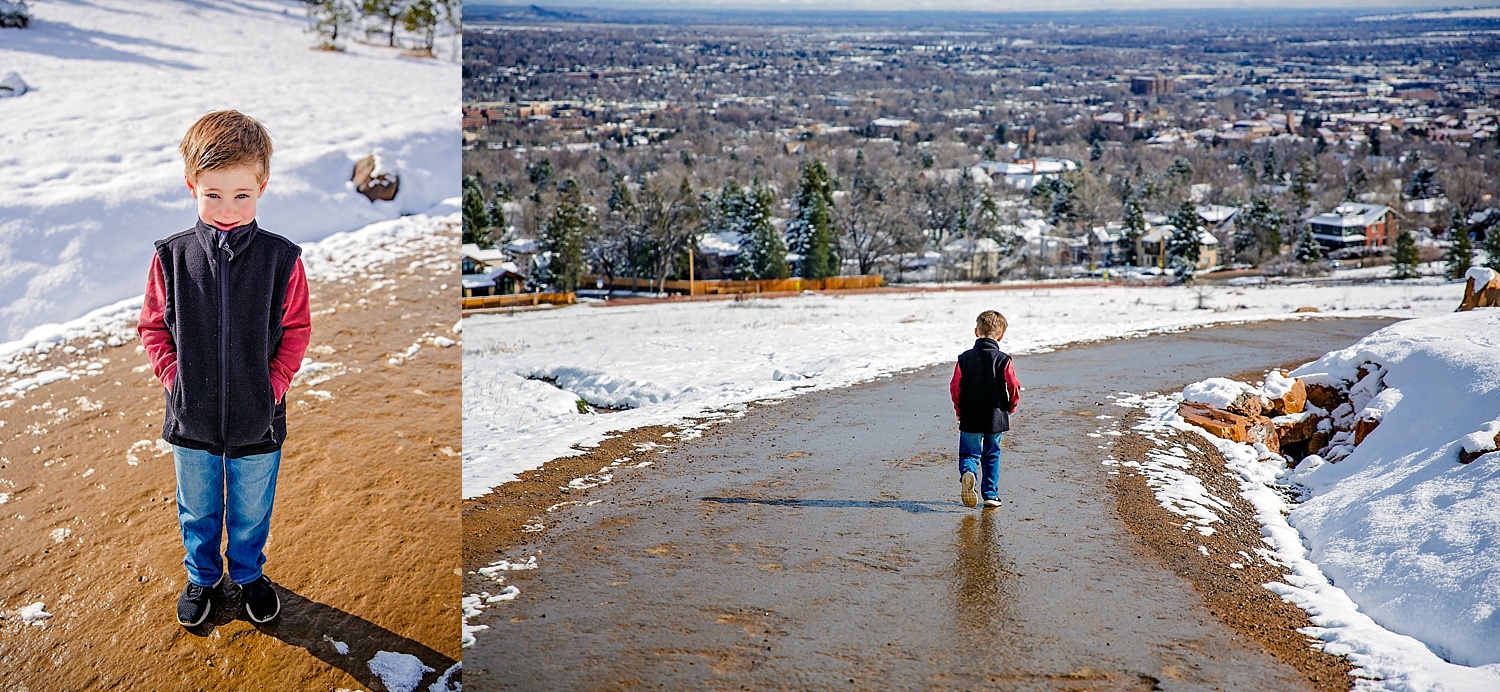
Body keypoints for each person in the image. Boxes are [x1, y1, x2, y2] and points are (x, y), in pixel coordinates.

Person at [137, 110, 311, 627]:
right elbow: (153, 328)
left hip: (259, 418)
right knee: (198, 507)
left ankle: (250, 574)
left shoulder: (283, 259)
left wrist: (273, 386)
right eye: (213, 194)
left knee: (251, 508)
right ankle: (203, 576)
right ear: (192, 184)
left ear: (262, 186)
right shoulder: (171, 257)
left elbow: (297, 330)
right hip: (193, 419)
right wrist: (176, 381)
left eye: (242, 195)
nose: (228, 209)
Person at [949, 310, 1021, 508]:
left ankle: (969, 473)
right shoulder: (1004, 359)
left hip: (970, 414)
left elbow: (955, 386)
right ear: (1001, 336)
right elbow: (1013, 385)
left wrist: (959, 409)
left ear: (976, 332)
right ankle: (990, 494)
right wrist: (1011, 405)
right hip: (995, 416)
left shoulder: (964, 358)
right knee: (991, 454)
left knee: (969, 454)